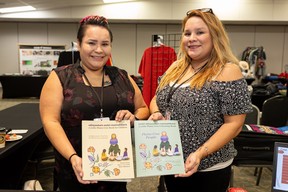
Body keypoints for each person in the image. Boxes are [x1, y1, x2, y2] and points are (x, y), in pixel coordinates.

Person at [39, 15, 149, 192]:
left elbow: (143, 109)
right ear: (79, 43)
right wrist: (73, 157)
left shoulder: (122, 76)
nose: (99, 50)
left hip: (115, 168)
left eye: (105, 44)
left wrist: (134, 117)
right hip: (75, 168)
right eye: (91, 43)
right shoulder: (61, 77)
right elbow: (50, 121)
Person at [148, 8, 252, 192]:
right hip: (172, 161)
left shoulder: (227, 70)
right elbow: (158, 98)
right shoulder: (176, 67)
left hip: (209, 168)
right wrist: (156, 112)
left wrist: (199, 153)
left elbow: (234, 124)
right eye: (187, 33)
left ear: (215, 36)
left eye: (200, 32)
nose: (191, 38)